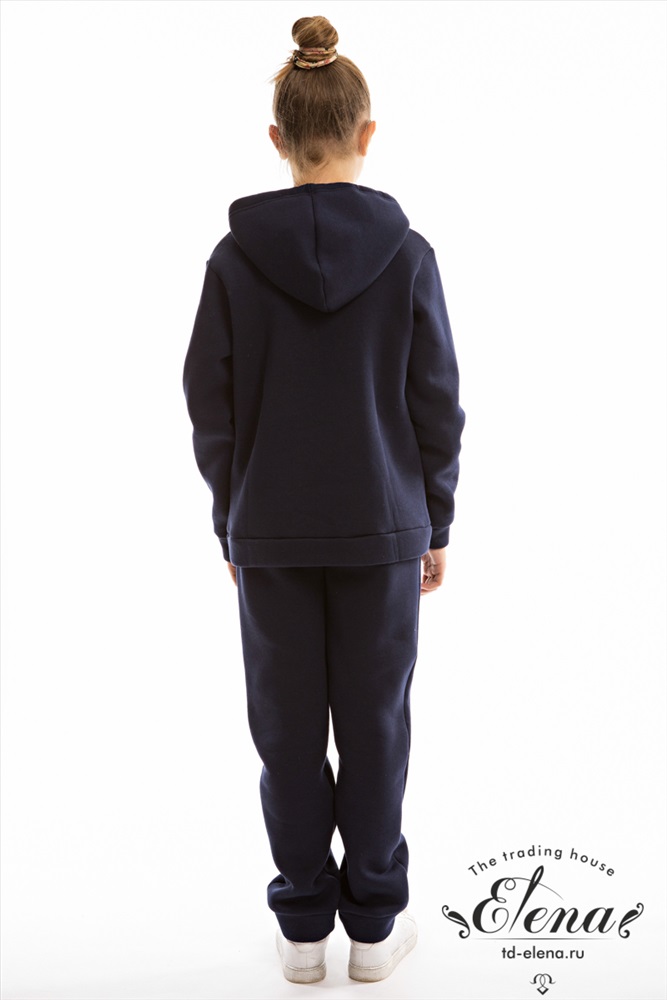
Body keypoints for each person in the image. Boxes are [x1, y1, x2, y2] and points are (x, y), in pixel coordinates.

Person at [183, 15, 465, 985]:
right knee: (377, 726)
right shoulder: (408, 254)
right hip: (384, 528)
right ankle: (375, 929)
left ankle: (303, 928)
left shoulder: (232, 263)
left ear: (277, 139)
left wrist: (231, 517)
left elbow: (209, 403)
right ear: (366, 133)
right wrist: (437, 519)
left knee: (287, 732)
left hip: (269, 531)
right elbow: (436, 402)